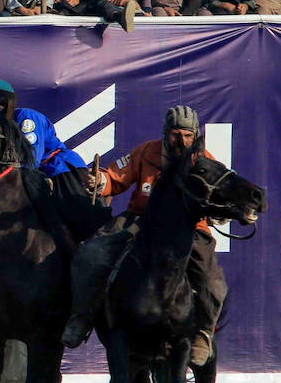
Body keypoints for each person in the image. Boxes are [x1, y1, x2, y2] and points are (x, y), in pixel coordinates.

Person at [62, 106, 226, 367]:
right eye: (175, 135)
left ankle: (203, 334)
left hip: (189, 229)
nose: (181, 141)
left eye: (187, 135)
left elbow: (219, 194)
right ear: (165, 133)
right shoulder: (145, 152)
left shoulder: (203, 160)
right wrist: (98, 181)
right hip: (139, 221)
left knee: (211, 278)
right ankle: (82, 317)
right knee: (91, 252)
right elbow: (115, 178)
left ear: (194, 136)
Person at [0, 79, 107, 236]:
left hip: (60, 171)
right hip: (34, 177)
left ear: (3, 105)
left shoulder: (26, 117)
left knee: (84, 221)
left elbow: (31, 157)